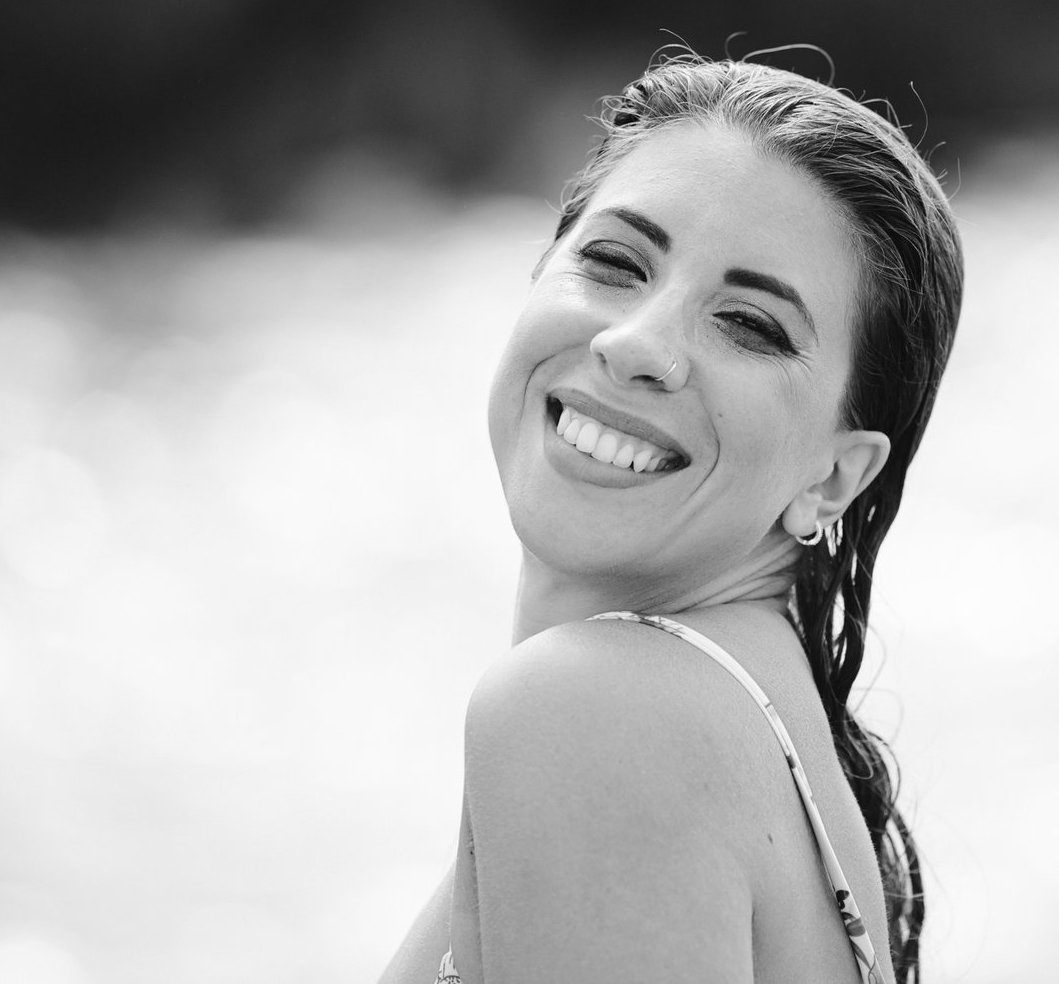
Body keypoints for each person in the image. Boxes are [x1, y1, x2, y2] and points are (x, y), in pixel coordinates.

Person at [380, 52, 963, 984]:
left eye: (750, 324)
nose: (638, 344)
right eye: (615, 262)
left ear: (833, 478)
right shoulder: (726, 727)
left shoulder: (600, 714)